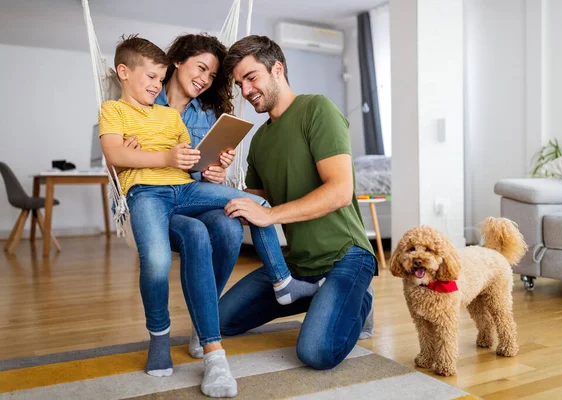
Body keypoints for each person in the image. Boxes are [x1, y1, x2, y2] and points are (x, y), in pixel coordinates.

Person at [99, 35, 321, 397]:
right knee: (183, 245)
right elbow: (115, 157)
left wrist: (214, 170)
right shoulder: (121, 107)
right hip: (147, 200)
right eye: (201, 67)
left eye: (212, 74)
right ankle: (177, 337)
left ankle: (279, 286)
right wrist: (132, 156)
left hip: (185, 192)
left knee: (234, 222)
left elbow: (189, 166)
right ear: (176, 63)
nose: (205, 78)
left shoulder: (191, 115)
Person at [218, 35, 377, 370]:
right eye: (239, 83)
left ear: (277, 69)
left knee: (315, 352)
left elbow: (339, 191)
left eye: (251, 77)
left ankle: (359, 301)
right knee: (221, 321)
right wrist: (221, 182)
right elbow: (257, 200)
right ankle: (321, 297)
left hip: (346, 256)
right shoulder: (260, 139)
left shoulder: (317, 109)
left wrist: (270, 215)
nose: (246, 91)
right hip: (298, 266)